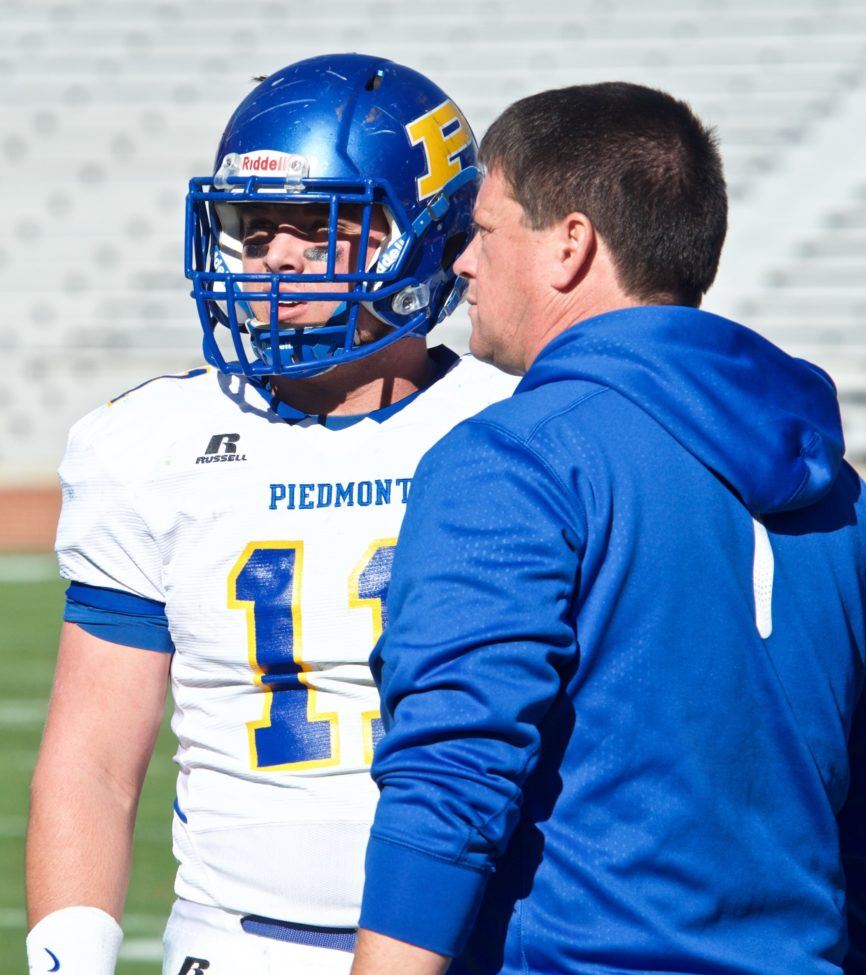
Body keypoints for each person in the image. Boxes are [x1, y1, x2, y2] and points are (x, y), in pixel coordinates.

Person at [353, 83, 866, 975]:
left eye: (483, 231)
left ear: (571, 244)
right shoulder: (844, 497)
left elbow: (450, 782)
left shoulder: (514, 458)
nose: (462, 266)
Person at [26, 53, 515, 975]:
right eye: (256, 230)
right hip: (236, 940)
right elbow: (92, 757)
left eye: (318, 227)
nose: (277, 256)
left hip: (477, 936)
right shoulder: (150, 445)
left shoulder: (513, 425)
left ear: (420, 236)